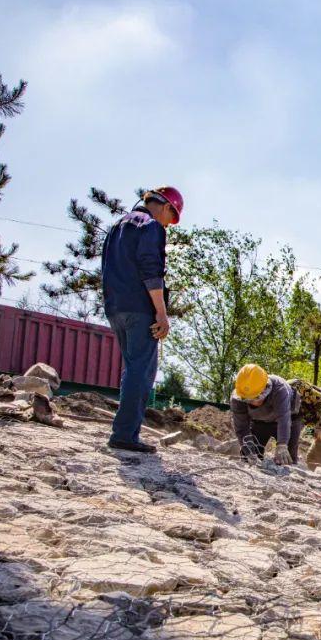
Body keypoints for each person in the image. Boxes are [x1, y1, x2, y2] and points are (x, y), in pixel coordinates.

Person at [101, 187, 183, 453]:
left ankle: (125, 431)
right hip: (140, 308)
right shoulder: (151, 226)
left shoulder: (117, 226)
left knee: (132, 369)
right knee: (142, 372)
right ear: (165, 206)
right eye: (171, 218)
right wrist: (161, 312)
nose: (168, 225)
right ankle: (124, 435)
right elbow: (151, 270)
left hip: (115, 307)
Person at [231, 364, 301, 467]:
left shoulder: (279, 389)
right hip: (260, 422)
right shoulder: (238, 397)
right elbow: (242, 427)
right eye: (248, 399)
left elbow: (284, 419)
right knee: (248, 457)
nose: (253, 403)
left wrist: (282, 444)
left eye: (256, 398)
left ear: (266, 389)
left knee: (287, 459)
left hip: (289, 420)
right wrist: (248, 449)